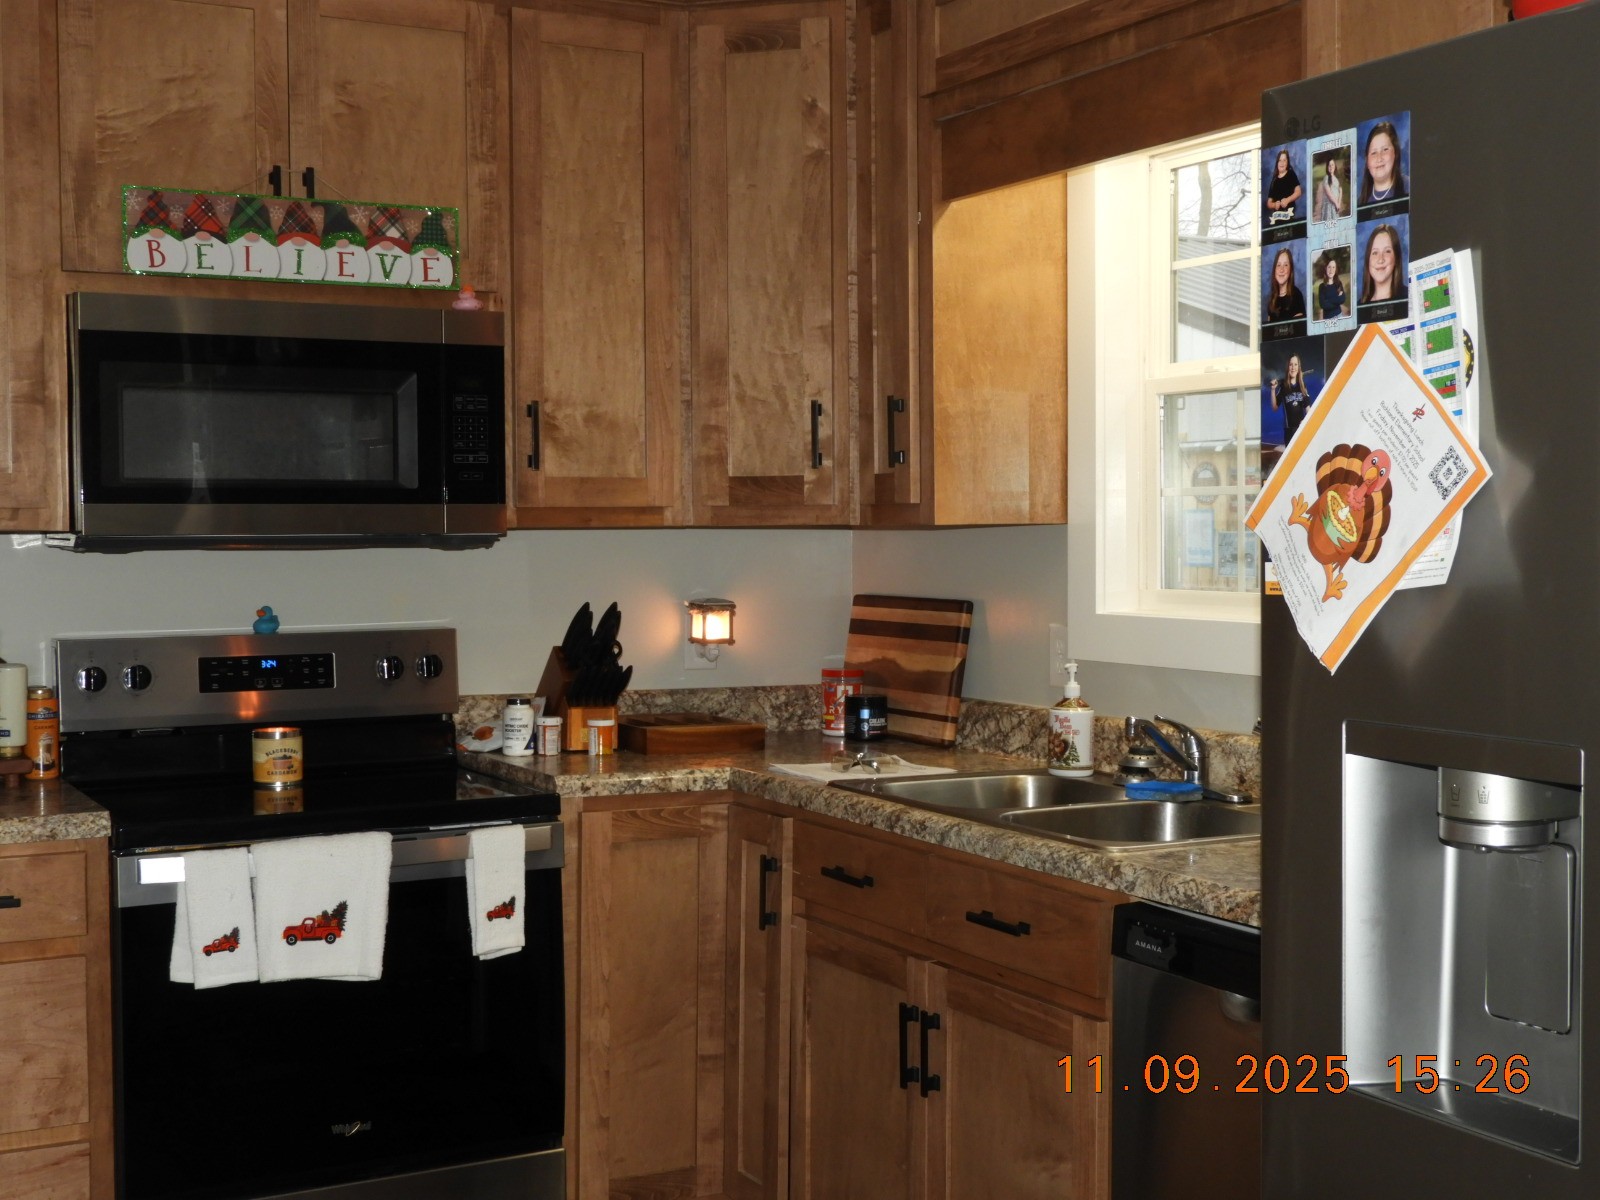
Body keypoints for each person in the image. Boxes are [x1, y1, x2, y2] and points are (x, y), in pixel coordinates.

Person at [1359, 121, 1407, 206]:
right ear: (1367, 160)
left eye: (1385, 150)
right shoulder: (1359, 202)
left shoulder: (1410, 187)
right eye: (1374, 153)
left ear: (1395, 153)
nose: (1379, 158)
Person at [1271, 355, 1315, 441]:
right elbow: (1275, 407)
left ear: (1299, 367)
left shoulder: (1302, 386)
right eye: (1291, 364)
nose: (1293, 367)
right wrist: (1273, 390)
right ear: (1288, 367)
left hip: (1301, 430)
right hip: (1289, 431)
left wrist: (1305, 420)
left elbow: (1308, 409)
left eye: (1295, 364)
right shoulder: (1284, 386)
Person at [1360, 224, 1405, 305]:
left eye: (1387, 251)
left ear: (1396, 258)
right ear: (1368, 259)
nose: (1380, 259)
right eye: (1375, 253)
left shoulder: (1408, 297)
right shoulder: (1359, 305)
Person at [1264, 247, 1305, 323]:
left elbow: (1298, 330)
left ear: (1291, 270)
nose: (1281, 269)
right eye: (1278, 265)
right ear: (1274, 269)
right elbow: (1269, 331)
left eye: (1285, 265)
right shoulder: (1272, 299)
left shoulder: (1296, 296)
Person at [1265, 150, 1303, 224]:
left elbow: (1298, 192)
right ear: (1277, 163)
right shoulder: (1274, 180)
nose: (1282, 163)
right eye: (1280, 160)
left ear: (1287, 162)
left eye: (1284, 160)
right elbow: (1269, 203)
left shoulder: (1291, 174)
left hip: (1289, 215)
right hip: (1277, 218)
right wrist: (1274, 205)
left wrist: (1287, 200)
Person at [1317, 254, 1347, 319]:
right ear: (1326, 268)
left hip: (1339, 316)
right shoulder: (1321, 287)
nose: (1331, 270)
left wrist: (1328, 300)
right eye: (1329, 267)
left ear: (1335, 269)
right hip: (1327, 320)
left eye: (1333, 267)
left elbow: (1342, 299)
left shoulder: (1338, 284)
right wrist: (1337, 298)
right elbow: (1323, 305)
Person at [1316, 156, 1344, 222]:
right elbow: (1329, 193)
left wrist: (1338, 203)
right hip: (1329, 205)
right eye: (1329, 165)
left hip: (1335, 205)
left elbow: (1340, 191)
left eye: (1332, 165)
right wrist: (1336, 203)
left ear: (1335, 166)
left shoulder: (1337, 178)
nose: (1331, 167)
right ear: (1327, 167)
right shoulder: (1326, 178)